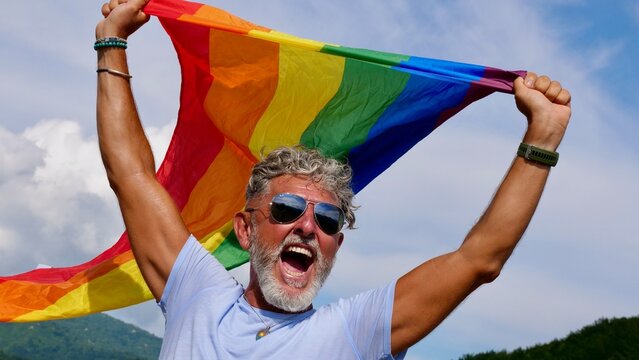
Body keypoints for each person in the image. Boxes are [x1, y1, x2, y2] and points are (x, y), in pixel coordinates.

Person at [96, 0, 571, 358]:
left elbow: (478, 260)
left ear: (336, 245)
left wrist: (543, 139)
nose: (308, 226)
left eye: (327, 219)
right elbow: (132, 176)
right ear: (245, 229)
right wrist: (112, 43)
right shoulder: (197, 296)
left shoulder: (354, 331)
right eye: (286, 211)